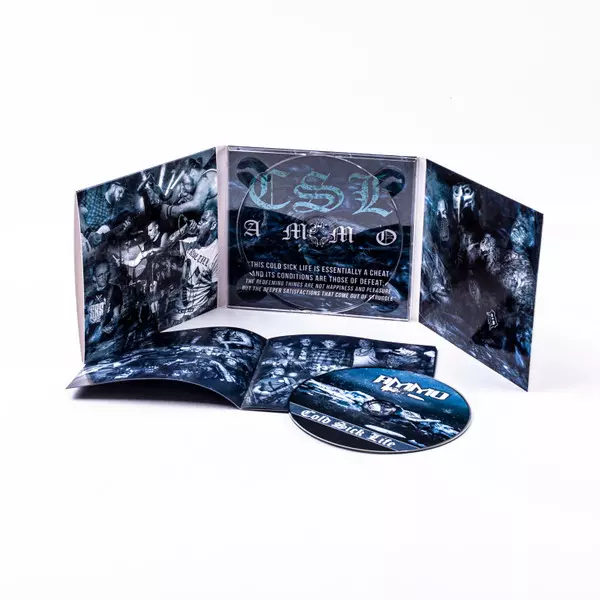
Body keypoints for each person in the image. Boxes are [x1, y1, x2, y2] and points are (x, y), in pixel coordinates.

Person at [84, 261, 122, 345]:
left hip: (107, 340)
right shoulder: (89, 297)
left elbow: (116, 315)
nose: (103, 277)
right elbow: (86, 320)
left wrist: (111, 326)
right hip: (91, 340)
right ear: (94, 278)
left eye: (105, 273)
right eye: (100, 275)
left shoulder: (114, 289)